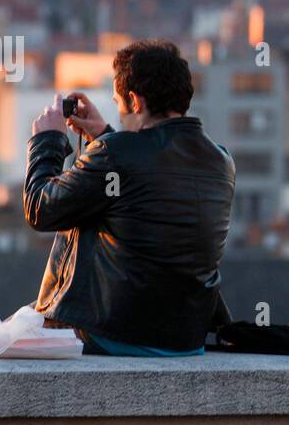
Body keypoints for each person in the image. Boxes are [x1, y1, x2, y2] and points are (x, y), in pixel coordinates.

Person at [23, 39, 235, 355]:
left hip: (112, 334)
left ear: (135, 101)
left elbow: (40, 209)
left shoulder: (115, 155)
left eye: (119, 103)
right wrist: (104, 136)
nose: (120, 115)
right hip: (184, 340)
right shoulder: (221, 161)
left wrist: (47, 140)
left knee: (3, 334)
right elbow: (145, 183)